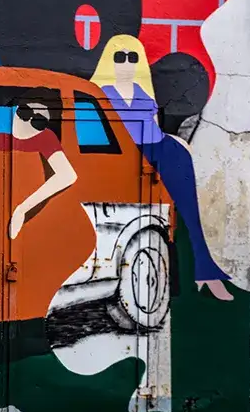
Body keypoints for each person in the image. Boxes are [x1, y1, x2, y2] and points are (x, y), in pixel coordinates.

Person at [91, 34, 232, 301]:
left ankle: (206, 270)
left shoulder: (142, 92)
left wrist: (176, 142)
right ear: (109, 61)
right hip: (126, 153)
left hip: (158, 148)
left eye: (132, 57)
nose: (126, 64)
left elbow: (154, 126)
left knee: (190, 207)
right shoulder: (101, 94)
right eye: (120, 57)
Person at [0, 90, 78, 240]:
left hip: (34, 225)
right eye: (24, 112)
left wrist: (22, 209)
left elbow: (67, 175)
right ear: (15, 111)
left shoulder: (45, 139)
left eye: (38, 121)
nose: (26, 122)